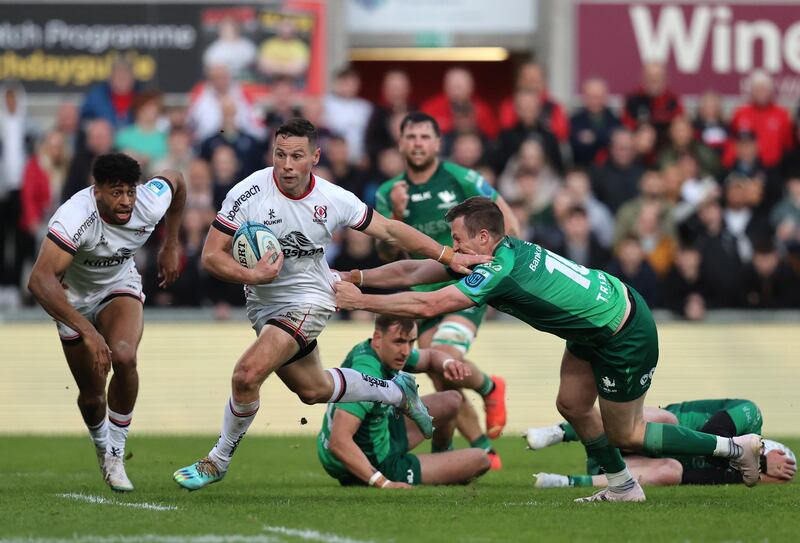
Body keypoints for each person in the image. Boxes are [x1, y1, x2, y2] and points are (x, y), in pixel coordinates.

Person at [334, 196, 763, 503]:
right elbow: (412, 269)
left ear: (484, 237)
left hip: (623, 331)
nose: (452, 247)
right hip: (596, 322)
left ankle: (732, 449)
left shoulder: (498, 272)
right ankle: (623, 486)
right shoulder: (496, 252)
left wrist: (362, 303)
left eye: (457, 238)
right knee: (573, 405)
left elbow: (428, 303)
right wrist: (353, 277)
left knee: (627, 433)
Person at [172, 118, 489, 491]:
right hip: (263, 304)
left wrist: (448, 255)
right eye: (280, 154)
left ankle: (217, 460)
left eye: (297, 156)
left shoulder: (333, 199)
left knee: (246, 374)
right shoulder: (248, 193)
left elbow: (388, 230)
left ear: (315, 157)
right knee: (313, 390)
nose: (287, 165)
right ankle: (393, 390)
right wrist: (254, 276)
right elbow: (211, 256)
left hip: (310, 298)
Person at [27, 153, 186, 492]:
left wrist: (171, 244)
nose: (126, 201)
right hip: (71, 300)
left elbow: (178, 180)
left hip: (118, 285)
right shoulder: (74, 217)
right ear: (96, 190)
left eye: (130, 191)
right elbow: (39, 281)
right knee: (92, 396)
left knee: (125, 357)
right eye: (116, 193)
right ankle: (102, 445)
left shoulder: (148, 201)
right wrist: (88, 333)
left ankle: (116, 452)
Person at [375, 112, 519, 469]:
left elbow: (507, 220)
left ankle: (488, 387)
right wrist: (394, 212)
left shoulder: (461, 178)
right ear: (401, 143)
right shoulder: (387, 192)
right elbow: (386, 253)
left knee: (443, 353)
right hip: (423, 293)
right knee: (440, 374)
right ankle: (483, 446)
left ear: (438, 143)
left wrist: (502, 271)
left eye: (425, 136)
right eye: (411, 137)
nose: (418, 143)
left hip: (466, 285)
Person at [318, 315, 492, 487]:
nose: (406, 351)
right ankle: (437, 468)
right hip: (369, 461)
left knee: (452, 400)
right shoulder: (367, 373)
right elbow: (339, 442)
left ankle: (442, 455)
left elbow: (430, 357)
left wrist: (447, 363)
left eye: (411, 342)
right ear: (378, 338)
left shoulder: (375, 350)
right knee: (480, 460)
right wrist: (382, 483)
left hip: (380, 432)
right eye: (399, 342)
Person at [528, 399, 796, 488]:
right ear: (766, 446)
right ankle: (560, 432)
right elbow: (713, 433)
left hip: (624, 465)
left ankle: (564, 482)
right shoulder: (751, 414)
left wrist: (750, 476)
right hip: (634, 432)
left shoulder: (733, 473)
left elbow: (689, 478)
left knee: (673, 471)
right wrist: (759, 463)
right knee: (668, 420)